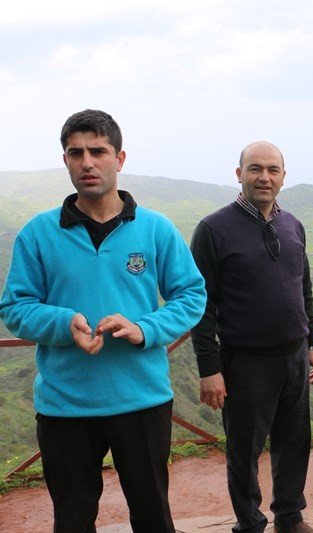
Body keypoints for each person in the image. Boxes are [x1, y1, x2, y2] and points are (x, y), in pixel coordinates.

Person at [0, 109, 207, 532]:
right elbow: (15, 307)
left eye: (98, 151)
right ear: (65, 160)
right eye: (76, 153)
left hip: (142, 400)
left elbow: (191, 294)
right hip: (65, 405)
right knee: (73, 520)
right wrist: (65, 323)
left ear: (120, 158)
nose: (87, 162)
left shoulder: (155, 229)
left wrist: (144, 329)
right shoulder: (38, 233)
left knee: (153, 517)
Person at [190, 141, 313, 533]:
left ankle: (289, 517)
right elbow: (202, 305)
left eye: (272, 170)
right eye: (255, 168)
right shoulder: (213, 229)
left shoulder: (293, 225)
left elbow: (304, 289)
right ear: (239, 174)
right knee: (243, 451)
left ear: (283, 177)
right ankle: (249, 524)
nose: (264, 177)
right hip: (245, 362)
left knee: (294, 443)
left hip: (294, 357)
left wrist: (312, 343)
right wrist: (209, 369)